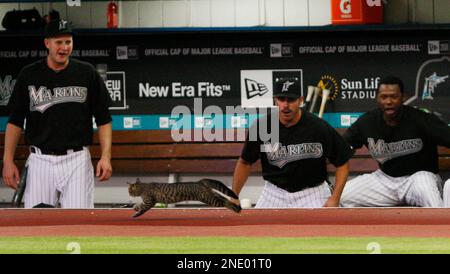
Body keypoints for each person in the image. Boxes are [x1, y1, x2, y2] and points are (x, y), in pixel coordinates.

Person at [2, 19, 113, 208]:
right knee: (37, 224)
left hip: (76, 160)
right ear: (47, 43)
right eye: (58, 42)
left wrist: (105, 156)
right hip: (40, 160)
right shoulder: (29, 74)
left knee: (79, 223)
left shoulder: (87, 73)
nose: (64, 47)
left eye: (68, 42)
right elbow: (15, 121)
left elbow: (104, 119)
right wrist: (7, 161)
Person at [232, 76, 352, 208]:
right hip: (273, 193)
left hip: (312, 192)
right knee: (255, 228)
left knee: (322, 228)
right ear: (275, 100)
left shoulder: (318, 127)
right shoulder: (262, 126)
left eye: (291, 99)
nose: (285, 105)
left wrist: (335, 197)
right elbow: (245, 162)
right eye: (281, 99)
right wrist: (234, 195)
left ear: (300, 100)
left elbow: (342, 163)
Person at [340, 76, 450, 207]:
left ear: (403, 98)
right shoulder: (367, 122)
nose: (388, 101)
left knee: (430, 196)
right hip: (385, 180)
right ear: (377, 98)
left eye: (393, 96)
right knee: (343, 196)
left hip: (418, 177)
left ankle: (440, 227)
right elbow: (342, 147)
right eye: (384, 97)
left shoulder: (421, 119)